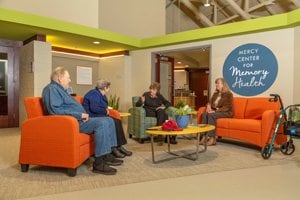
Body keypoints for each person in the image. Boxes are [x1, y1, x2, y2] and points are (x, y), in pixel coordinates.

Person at [42, 67, 122, 175]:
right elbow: (56, 111)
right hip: (73, 123)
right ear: (60, 78)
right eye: (68, 78)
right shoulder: (51, 89)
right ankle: (98, 164)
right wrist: (80, 115)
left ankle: (107, 154)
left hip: (78, 120)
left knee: (109, 120)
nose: (70, 80)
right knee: (102, 123)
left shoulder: (60, 90)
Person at [82, 79, 132, 158]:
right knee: (114, 121)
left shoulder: (101, 94)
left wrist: (106, 110)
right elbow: (94, 108)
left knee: (117, 121)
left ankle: (119, 146)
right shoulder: (93, 93)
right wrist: (105, 112)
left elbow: (102, 106)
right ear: (105, 87)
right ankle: (114, 148)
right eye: (108, 87)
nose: (109, 89)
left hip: (98, 115)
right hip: (92, 116)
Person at [201, 77, 233, 145]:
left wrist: (215, 111)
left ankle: (212, 138)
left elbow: (227, 107)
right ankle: (204, 136)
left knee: (211, 115)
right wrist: (209, 106)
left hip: (226, 112)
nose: (216, 85)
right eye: (216, 83)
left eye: (218, 83)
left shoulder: (229, 94)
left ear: (223, 84)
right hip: (216, 111)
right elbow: (210, 101)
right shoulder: (216, 93)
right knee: (204, 114)